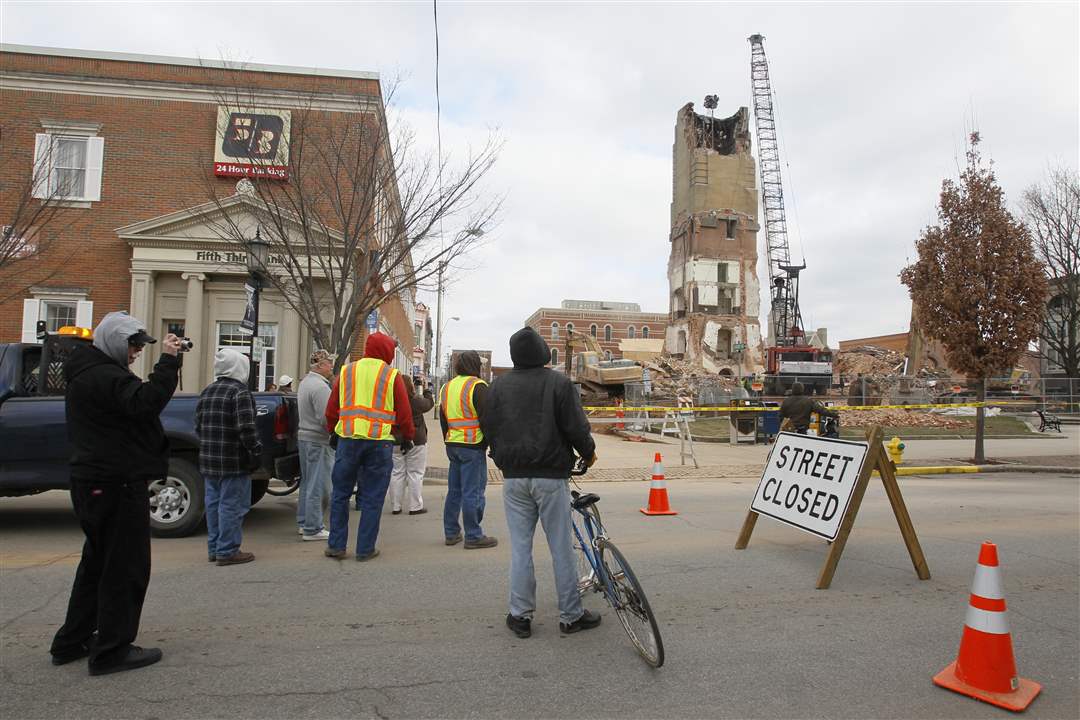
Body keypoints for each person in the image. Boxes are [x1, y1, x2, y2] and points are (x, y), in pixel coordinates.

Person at [50, 311, 180, 676]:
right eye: (133, 345)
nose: (137, 351)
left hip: (98, 481)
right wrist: (168, 362)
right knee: (124, 568)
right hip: (114, 483)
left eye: (140, 345)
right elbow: (145, 402)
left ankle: (72, 640)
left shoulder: (90, 372)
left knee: (97, 564)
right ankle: (111, 650)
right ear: (113, 342)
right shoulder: (103, 376)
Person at [481, 327, 602, 639]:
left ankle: (520, 615)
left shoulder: (498, 388)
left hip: (513, 479)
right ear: (544, 353)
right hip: (551, 477)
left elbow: (489, 428)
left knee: (520, 548)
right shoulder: (559, 384)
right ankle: (571, 616)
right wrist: (588, 454)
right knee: (561, 548)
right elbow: (576, 428)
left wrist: (500, 457)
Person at [323, 332, 414, 561]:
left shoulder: (347, 371)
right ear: (387, 352)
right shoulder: (391, 375)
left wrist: (333, 430)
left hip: (348, 440)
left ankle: (336, 546)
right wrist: (407, 436)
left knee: (341, 494)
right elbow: (404, 412)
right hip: (378, 444)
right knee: (373, 497)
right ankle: (365, 549)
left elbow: (332, 408)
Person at [195, 349, 263, 566]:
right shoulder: (240, 393)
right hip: (233, 461)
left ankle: (215, 548)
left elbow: (198, 426)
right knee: (231, 506)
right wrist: (256, 450)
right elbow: (247, 429)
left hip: (209, 460)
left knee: (213, 504)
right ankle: (228, 550)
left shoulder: (207, 391)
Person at [440, 351, 497, 549]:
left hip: (453, 445)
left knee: (454, 491)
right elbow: (488, 420)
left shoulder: (447, 387)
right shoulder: (478, 387)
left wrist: (448, 440)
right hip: (473, 446)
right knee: (473, 491)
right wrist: (491, 445)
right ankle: (473, 535)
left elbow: (443, 418)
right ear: (476, 366)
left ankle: (451, 533)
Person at [295, 349, 336, 540]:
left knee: (307, 482)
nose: (331, 366)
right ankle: (313, 527)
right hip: (317, 441)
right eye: (329, 363)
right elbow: (325, 418)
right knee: (318, 485)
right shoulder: (320, 388)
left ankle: (304, 522)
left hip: (305, 438)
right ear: (320, 366)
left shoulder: (306, 383)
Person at [389, 376, 434, 515]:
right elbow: (429, 404)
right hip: (416, 441)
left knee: (397, 473)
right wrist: (426, 388)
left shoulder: (390, 400)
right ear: (410, 386)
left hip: (395, 440)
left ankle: (396, 506)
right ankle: (415, 506)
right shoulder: (414, 400)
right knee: (415, 473)